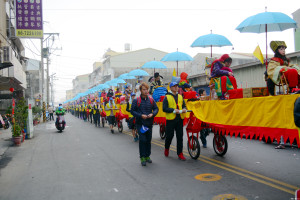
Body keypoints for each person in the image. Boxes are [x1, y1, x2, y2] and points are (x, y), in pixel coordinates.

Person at [131, 82, 158, 166]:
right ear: (141, 90)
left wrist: (152, 114)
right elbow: (132, 111)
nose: (146, 91)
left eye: (147, 89)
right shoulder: (136, 100)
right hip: (140, 124)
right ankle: (142, 157)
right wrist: (140, 115)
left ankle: (147, 156)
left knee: (148, 140)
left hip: (149, 124)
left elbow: (156, 109)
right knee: (142, 140)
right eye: (144, 89)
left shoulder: (151, 100)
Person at [163, 82, 187, 161]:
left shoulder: (180, 96)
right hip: (170, 119)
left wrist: (184, 109)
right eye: (174, 86)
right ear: (170, 88)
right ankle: (167, 148)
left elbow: (184, 105)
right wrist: (173, 110)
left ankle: (180, 153)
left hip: (179, 118)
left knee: (180, 136)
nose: (176, 87)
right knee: (169, 136)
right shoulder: (166, 97)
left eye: (177, 86)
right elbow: (164, 108)